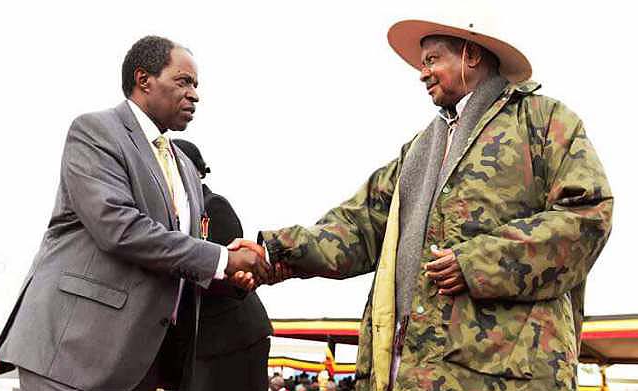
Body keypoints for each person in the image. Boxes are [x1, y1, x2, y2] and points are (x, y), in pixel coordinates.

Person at [246, 16, 613, 391]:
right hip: (410, 371)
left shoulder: (543, 120)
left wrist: (476, 263)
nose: (423, 73)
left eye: (432, 60)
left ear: (470, 55)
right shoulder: (419, 150)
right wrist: (273, 251)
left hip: (506, 375)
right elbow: (361, 223)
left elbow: (588, 214)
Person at [0, 36, 268, 391]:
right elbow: (119, 228)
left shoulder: (183, 164)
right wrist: (221, 258)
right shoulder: (95, 132)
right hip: (74, 352)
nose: (195, 94)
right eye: (183, 82)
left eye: (196, 85)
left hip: (139, 361)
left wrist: (225, 274)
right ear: (144, 80)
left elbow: (178, 253)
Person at [172, 138, 273, 391]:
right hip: (200, 341)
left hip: (233, 336)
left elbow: (235, 267)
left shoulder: (212, 206)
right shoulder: (168, 213)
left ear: (196, 172)